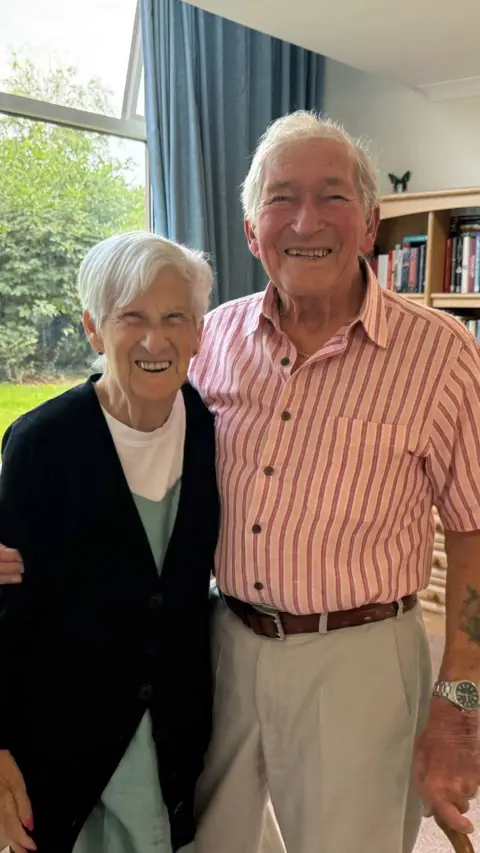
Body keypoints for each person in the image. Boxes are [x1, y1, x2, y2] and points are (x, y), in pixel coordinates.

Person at [2, 112, 480, 853]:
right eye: (281, 198)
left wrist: (460, 702)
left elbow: (474, 528)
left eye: (332, 195)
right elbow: (106, 423)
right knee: (208, 841)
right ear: (253, 232)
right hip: (221, 647)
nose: (306, 221)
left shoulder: (441, 355)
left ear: (370, 223)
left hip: (358, 655)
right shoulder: (213, 336)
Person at [0, 232, 219, 853]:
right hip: (66, 741)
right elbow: (6, 606)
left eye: (174, 317)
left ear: (199, 332)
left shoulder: (208, 430)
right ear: (94, 330)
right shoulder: (44, 443)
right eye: (132, 318)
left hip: (175, 739)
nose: (155, 341)